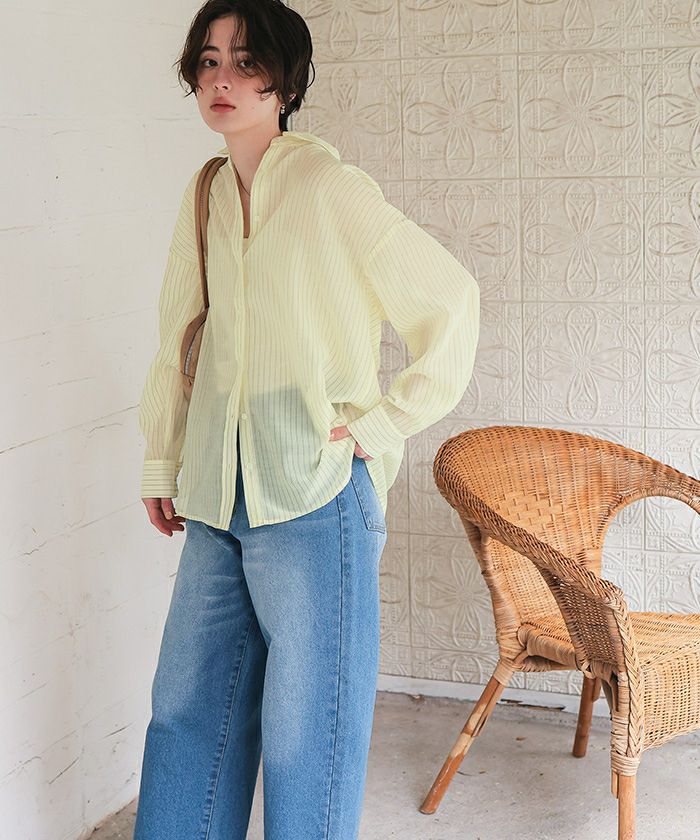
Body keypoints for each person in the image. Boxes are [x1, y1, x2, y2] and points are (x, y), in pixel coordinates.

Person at [133, 2, 480, 839]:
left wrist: (378, 428)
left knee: (307, 742)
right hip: (215, 495)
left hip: (316, 499)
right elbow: (181, 332)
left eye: (245, 61)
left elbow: (451, 299)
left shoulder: (330, 188)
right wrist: (164, 458)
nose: (221, 78)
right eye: (208, 60)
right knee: (185, 719)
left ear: (284, 83)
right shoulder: (207, 193)